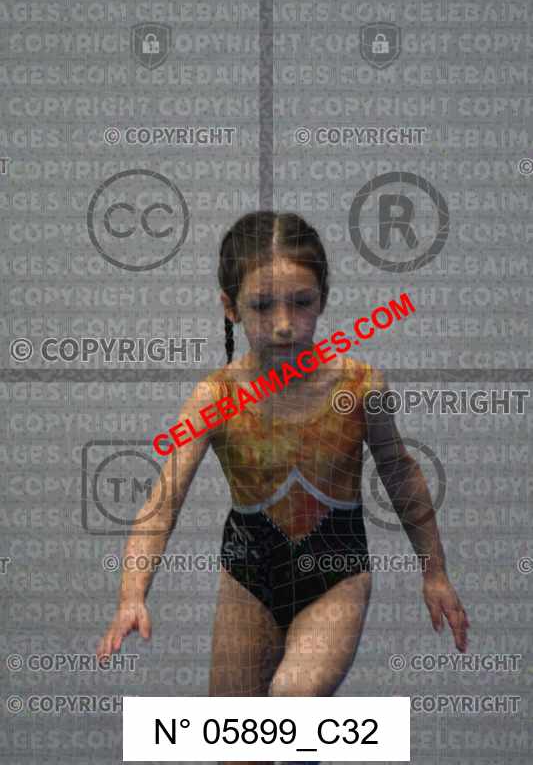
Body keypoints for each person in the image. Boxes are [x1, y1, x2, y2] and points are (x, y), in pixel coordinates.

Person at [97, 211, 468, 720]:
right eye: (262, 305)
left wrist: (435, 572)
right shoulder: (215, 397)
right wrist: (132, 595)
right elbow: (163, 501)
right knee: (237, 744)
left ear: (323, 298)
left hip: (336, 574)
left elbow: (400, 473)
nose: (284, 323)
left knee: (293, 698)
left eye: (301, 302)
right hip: (248, 579)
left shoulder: (359, 387)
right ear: (230, 306)